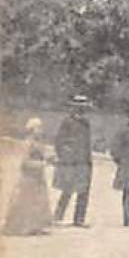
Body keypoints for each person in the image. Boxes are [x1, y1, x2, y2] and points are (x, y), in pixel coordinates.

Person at [4, 117, 53, 236]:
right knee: (26, 200)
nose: (41, 130)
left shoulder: (39, 143)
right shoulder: (27, 143)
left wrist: (48, 158)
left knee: (38, 200)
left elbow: (41, 155)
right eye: (38, 128)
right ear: (31, 129)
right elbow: (24, 163)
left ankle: (36, 225)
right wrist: (42, 164)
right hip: (29, 177)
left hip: (37, 176)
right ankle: (23, 227)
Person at [52, 96, 93, 227]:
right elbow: (59, 141)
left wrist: (88, 159)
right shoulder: (67, 122)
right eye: (79, 107)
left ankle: (79, 219)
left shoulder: (86, 123)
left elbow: (87, 143)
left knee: (83, 191)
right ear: (73, 108)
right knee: (67, 189)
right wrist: (65, 156)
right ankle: (58, 216)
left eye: (84, 108)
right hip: (71, 162)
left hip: (84, 161)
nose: (81, 110)